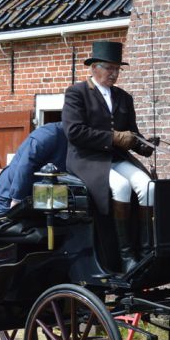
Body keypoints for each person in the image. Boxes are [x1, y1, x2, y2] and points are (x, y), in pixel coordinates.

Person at [62, 40, 155, 272]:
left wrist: (145, 145)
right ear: (94, 68)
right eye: (109, 68)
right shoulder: (77, 93)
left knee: (148, 185)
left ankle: (145, 250)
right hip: (87, 160)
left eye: (117, 69)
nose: (114, 74)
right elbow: (74, 132)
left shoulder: (124, 98)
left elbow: (131, 133)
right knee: (121, 186)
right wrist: (113, 137)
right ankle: (125, 256)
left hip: (116, 159)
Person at [0, 122, 68, 212]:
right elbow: (25, 164)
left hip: (37, 197)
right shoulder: (49, 134)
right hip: (8, 194)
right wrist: (16, 199)